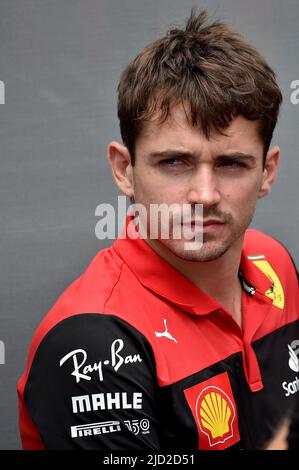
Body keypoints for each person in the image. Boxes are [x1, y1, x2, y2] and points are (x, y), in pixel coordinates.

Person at [18, 8, 299, 450]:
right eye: (174, 163)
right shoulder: (93, 343)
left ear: (267, 172)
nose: (204, 195)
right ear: (124, 169)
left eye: (231, 164)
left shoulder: (275, 263)